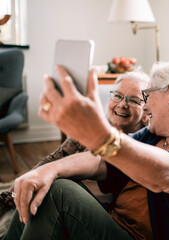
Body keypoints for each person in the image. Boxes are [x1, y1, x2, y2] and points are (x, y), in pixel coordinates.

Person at [3, 62, 169, 240]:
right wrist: (47, 170)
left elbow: (168, 176)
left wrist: (102, 136)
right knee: (46, 184)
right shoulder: (153, 135)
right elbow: (101, 161)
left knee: (59, 192)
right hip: (112, 225)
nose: (146, 105)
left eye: (147, 95)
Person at [0, 71, 150, 217]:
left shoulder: (139, 148)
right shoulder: (88, 130)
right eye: (117, 96)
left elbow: (100, 163)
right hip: (46, 200)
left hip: (76, 213)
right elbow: (51, 160)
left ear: (146, 113)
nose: (123, 104)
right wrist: (13, 193)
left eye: (134, 100)